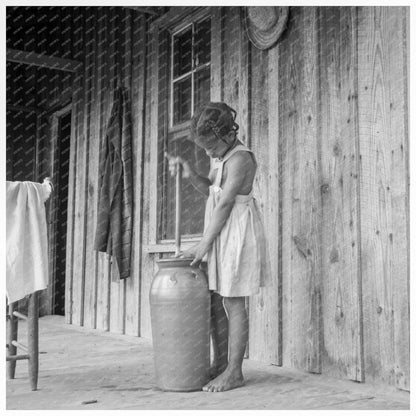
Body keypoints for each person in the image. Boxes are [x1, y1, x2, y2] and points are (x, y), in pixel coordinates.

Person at [166, 102, 270, 392]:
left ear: (227, 135)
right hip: (221, 233)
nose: (208, 153)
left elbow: (224, 205)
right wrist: (189, 173)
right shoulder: (220, 157)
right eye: (204, 149)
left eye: (210, 147)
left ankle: (235, 371)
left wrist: (202, 244)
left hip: (237, 235)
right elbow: (211, 190)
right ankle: (221, 363)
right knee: (217, 300)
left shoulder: (241, 159)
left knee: (234, 301)